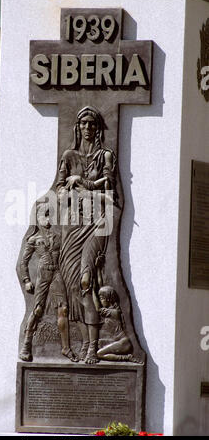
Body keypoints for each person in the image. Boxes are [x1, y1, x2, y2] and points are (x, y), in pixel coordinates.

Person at [56, 106, 117, 364]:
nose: (88, 128)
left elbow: (111, 194)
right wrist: (72, 187)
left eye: (92, 123)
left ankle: (93, 348)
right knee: (73, 288)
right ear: (77, 127)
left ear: (98, 128)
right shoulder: (68, 156)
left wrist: (80, 184)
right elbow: (58, 192)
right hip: (72, 226)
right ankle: (84, 344)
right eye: (83, 123)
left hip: (98, 225)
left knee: (85, 281)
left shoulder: (106, 156)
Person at [19, 202, 78, 363]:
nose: (48, 219)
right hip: (43, 273)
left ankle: (66, 348)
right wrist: (26, 280)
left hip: (57, 272)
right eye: (45, 215)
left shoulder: (57, 236)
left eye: (49, 215)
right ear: (37, 218)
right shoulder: (33, 239)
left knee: (63, 309)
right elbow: (23, 263)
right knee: (38, 309)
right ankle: (26, 344)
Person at [97, 285, 139, 362]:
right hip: (117, 341)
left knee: (99, 354)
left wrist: (90, 290)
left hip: (123, 343)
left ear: (108, 299)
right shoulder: (110, 311)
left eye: (102, 298)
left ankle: (127, 358)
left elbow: (97, 309)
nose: (100, 301)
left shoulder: (113, 312)